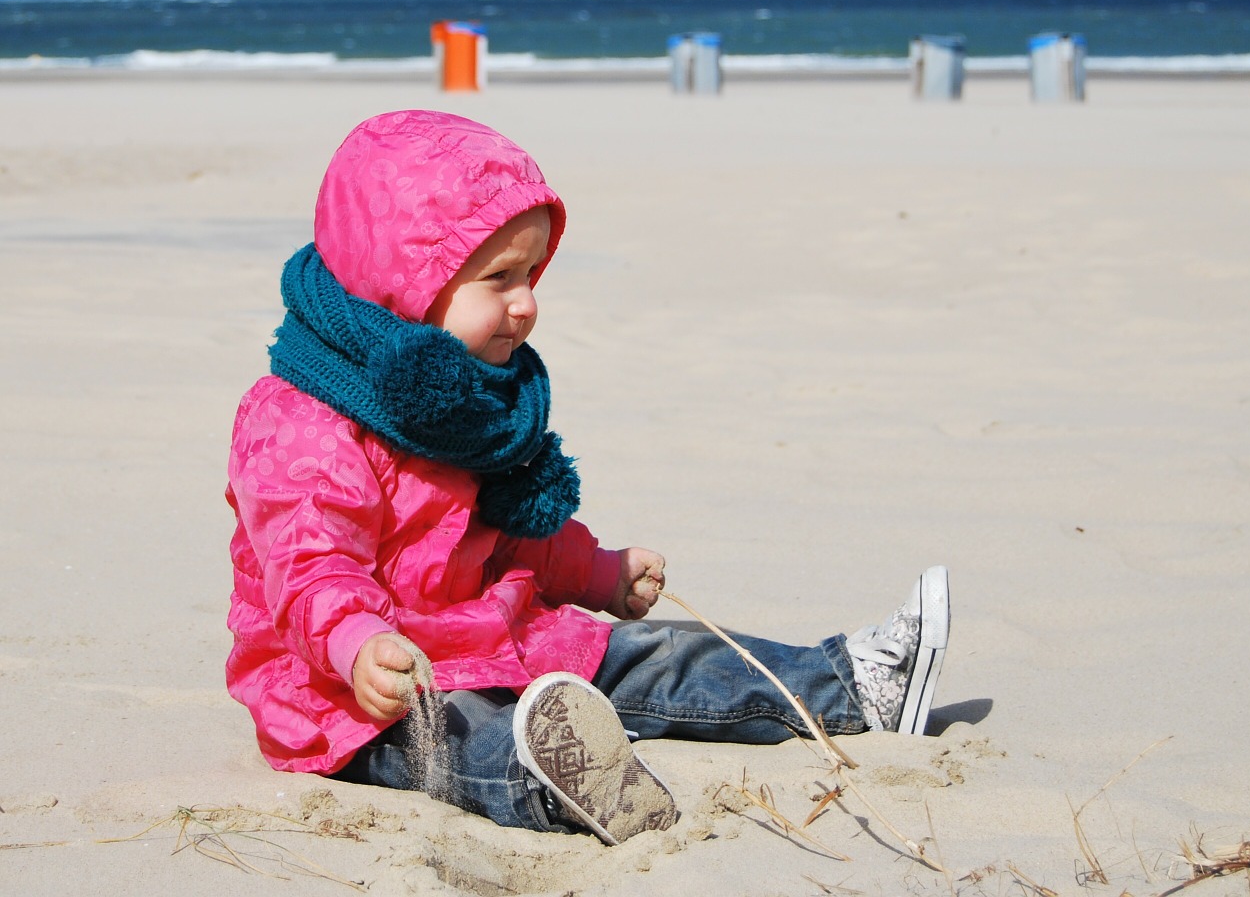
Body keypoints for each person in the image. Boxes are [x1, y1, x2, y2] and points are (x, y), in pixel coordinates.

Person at [225, 109, 951, 846]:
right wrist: (355, 644)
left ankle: (850, 682)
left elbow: (511, 532)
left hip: (495, 635)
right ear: (402, 286)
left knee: (654, 654)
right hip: (361, 687)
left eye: (532, 275)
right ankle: (560, 780)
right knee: (464, 733)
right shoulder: (301, 423)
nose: (525, 304)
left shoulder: (469, 401)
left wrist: (598, 574)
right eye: (497, 279)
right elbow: (310, 563)